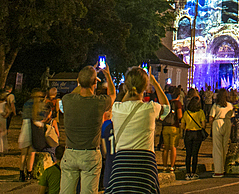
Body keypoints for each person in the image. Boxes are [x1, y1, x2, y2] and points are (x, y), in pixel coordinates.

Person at [106, 66, 168, 194]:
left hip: (121, 165)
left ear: (125, 87)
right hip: (145, 165)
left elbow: (120, 101)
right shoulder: (150, 108)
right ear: (145, 88)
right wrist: (155, 83)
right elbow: (166, 108)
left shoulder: (116, 108)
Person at [60, 63, 116, 194]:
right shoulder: (99, 102)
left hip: (70, 152)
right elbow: (113, 94)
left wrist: (84, 77)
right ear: (95, 83)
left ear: (78, 82)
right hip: (90, 153)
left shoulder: (67, 100)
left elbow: (77, 91)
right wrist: (107, 76)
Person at [181, 91, 206, 180]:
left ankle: (187, 173)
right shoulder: (200, 112)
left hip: (188, 133)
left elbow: (182, 125)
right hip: (197, 133)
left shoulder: (186, 113)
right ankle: (194, 172)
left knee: (188, 154)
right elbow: (203, 125)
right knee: (195, 154)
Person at [209, 89, 234, 178]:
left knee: (217, 147)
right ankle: (223, 167)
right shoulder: (230, 105)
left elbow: (211, 117)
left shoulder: (215, 105)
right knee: (224, 146)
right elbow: (232, 115)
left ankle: (218, 171)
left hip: (217, 123)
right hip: (227, 123)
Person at [159, 85, 181, 174]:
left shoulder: (167, 103)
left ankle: (164, 166)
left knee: (166, 148)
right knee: (173, 147)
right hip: (174, 127)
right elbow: (179, 115)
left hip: (165, 127)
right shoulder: (177, 103)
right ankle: (172, 166)